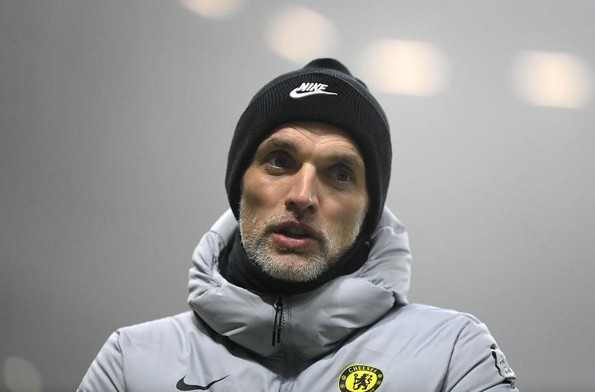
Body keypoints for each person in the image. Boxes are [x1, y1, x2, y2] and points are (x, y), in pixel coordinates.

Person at [78, 58, 518, 391]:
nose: (303, 196)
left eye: (340, 173)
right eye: (279, 161)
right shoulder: (132, 363)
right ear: (238, 185)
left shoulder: (452, 353)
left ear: (369, 212)